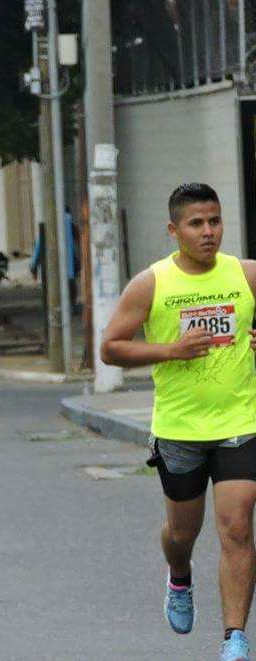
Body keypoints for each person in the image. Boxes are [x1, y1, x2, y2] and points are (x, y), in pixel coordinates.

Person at [101, 183, 256, 661]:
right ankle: (180, 574)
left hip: (241, 419)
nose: (208, 232)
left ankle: (234, 637)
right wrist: (171, 349)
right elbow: (111, 347)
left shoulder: (247, 274)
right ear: (174, 230)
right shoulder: (152, 284)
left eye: (215, 221)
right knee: (181, 534)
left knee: (237, 527)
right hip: (179, 428)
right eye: (196, 223)